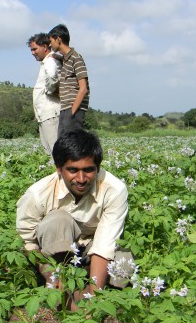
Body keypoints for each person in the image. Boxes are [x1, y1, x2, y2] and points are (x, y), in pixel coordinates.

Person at [16, 129, 134, 311]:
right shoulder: (38, 194)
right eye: (73, 170)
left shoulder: (114, 190)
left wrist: (93, 301)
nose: (81, 179)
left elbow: (104, 246)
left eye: (88, 170)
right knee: (58, 219)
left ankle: (86, 286)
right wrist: (49, 273)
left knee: (125, 262)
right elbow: (28, 243)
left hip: (91, 251)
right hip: (53, 254)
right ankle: (58, 284)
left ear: (98, 168)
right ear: (59, 169)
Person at [48, 24, 90, 138]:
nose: (50, 45)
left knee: (72, 144)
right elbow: (64, 59)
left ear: (58, 39)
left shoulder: (76, 58)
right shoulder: (66, 59)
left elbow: (83, 88)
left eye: (51, 41)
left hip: (73, 109)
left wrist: (72, 112)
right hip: (65, 108)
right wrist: (55, 57)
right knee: (62, 144)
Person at [27, 33, 61, 155]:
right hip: (45, 115)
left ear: (45, 47)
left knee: (55, 153)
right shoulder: (47, 62)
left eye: (35, 49)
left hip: (50, 114)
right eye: (31, 50)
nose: (33, 53)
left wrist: (50, 91)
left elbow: (52, 75)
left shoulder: (50, 61)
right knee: (51, 152)